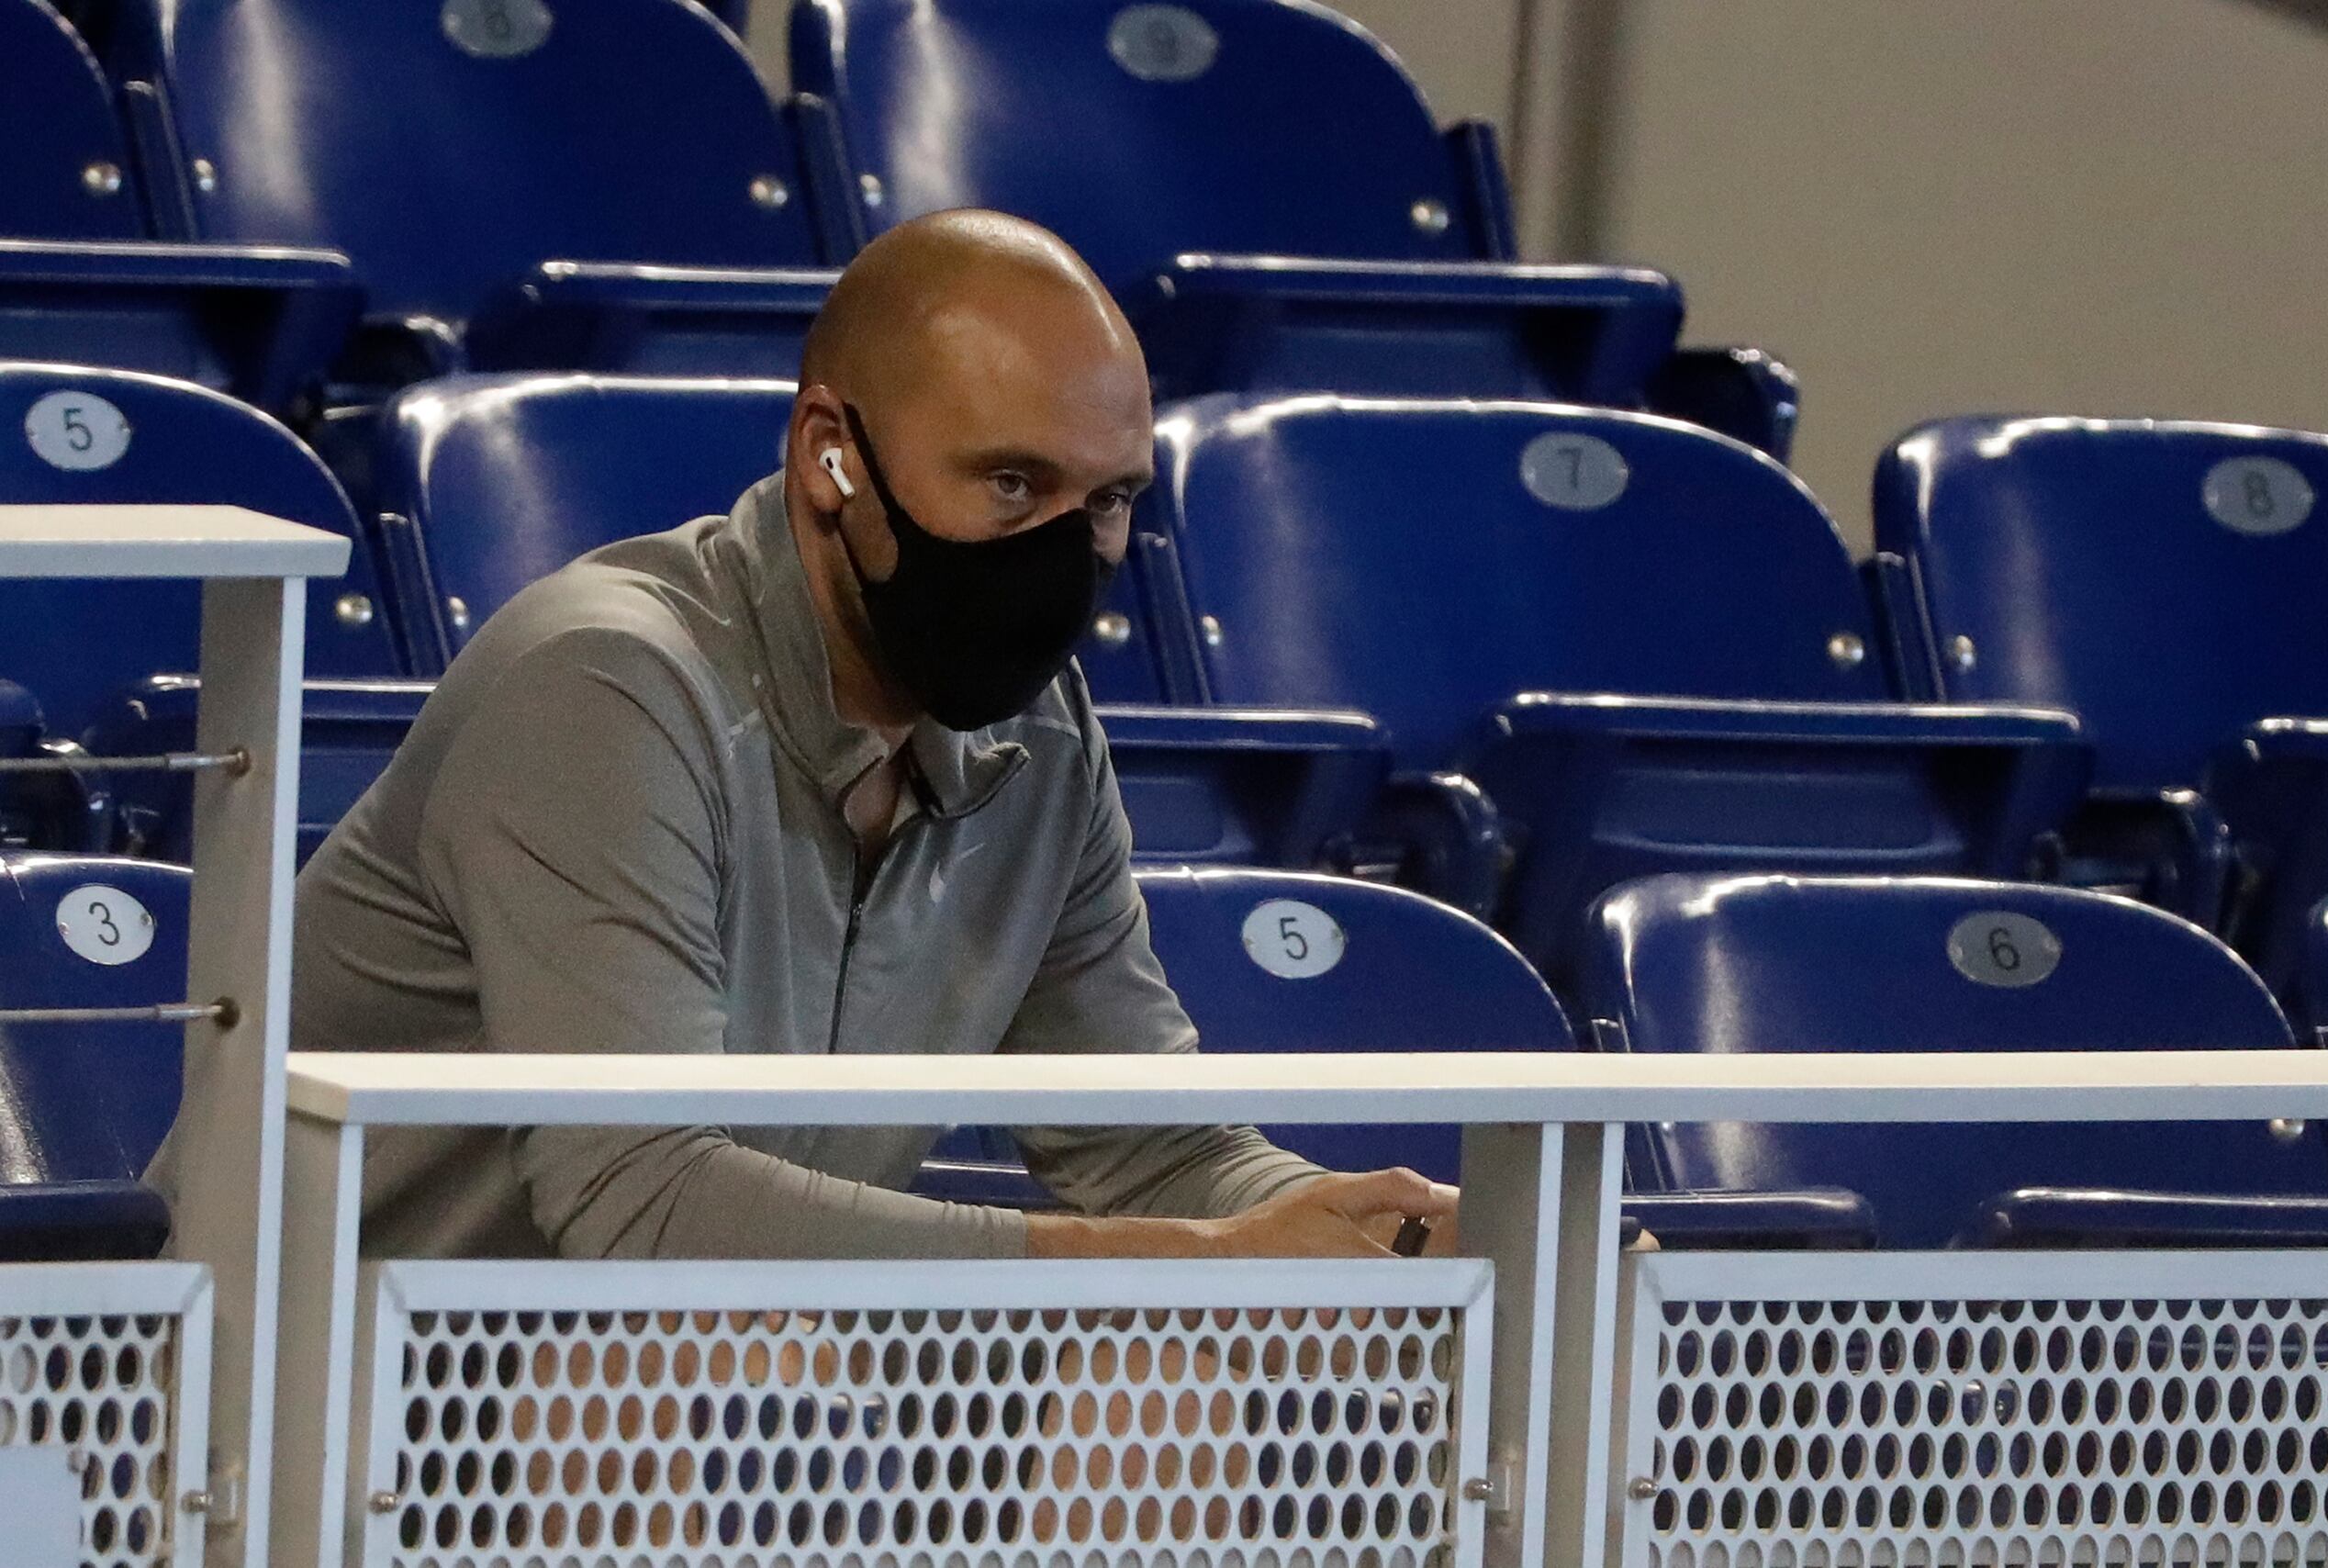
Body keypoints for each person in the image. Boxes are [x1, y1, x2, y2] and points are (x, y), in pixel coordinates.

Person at [234, 210, 1457, 1260]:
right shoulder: (606, 685)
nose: (1065, 553)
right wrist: (1202, 1262)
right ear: (832, 455)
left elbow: (1145, 1147)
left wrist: (1364, 1231)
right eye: (1013, 486)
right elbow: (644, 1203)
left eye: (1111, 500)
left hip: (631, 1416)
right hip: (286, 1412)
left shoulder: (1037, 738)